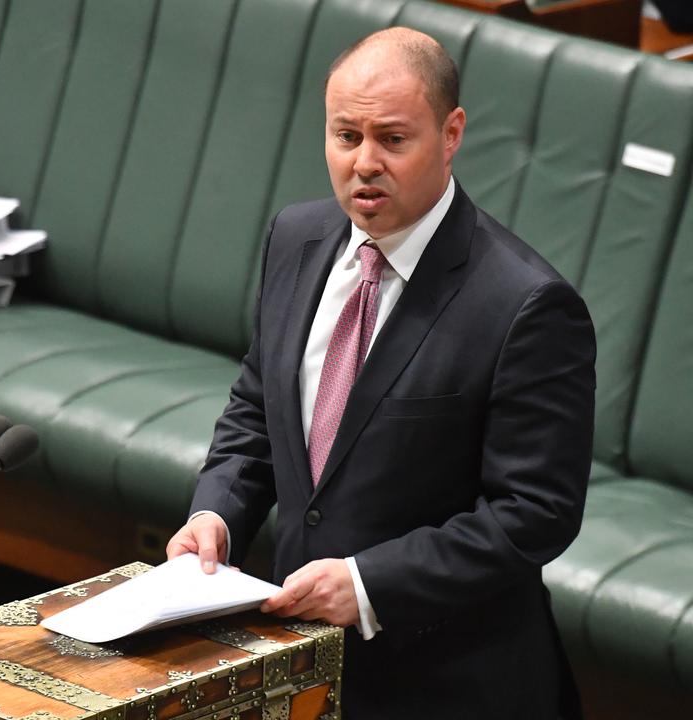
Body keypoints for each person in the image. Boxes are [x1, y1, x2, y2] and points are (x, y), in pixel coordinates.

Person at [166, 28, 594, 719]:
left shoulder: (525, 305)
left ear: (451, 134)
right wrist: (217, 509)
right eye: (345, 136)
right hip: (300, 664)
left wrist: (370, 585)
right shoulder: (296, 239)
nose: (364, 163)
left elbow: (535, 512)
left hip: (447, 683)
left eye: (393, 140)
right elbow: (257, 404)